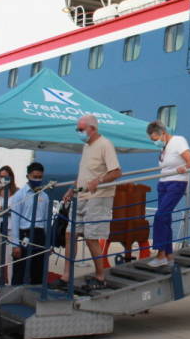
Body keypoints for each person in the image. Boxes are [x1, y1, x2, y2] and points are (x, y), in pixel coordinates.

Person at [51, 115, 121, 292]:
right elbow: (84, 173)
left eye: (81, 129)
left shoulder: (105, 144)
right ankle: (66, 275)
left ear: (93, 129)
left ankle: (100, 276)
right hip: (82, 196)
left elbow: (116, 172)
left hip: (98, 197)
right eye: (77, 129)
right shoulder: (86, 147)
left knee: (91, 238)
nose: (78, 132)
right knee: (70, 235)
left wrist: (99, 180)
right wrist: (72, 189)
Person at [146, 121, 190, 267]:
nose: (155, 143)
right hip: (163, 183)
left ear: (163, 134)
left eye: (155, 139)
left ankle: (160, 255)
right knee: (165, 218)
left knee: (160, 215)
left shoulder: (178, 141)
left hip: (176, 182)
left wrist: (183, 168)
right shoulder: (164, 147)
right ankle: (169, 255)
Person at [9, 162, 50, 285]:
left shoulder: (45, 196)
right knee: (19, 268)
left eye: (40, 177)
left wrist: (48, 241)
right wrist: (15, 244)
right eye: (35, 177)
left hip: (39, 234)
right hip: (24, 234)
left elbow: (47, 220)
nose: (37, 180)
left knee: (38, 268)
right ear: (28, 176)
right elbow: (15, 220)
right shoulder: (19, 196)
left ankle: (36, 295)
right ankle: (14, 295)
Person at [0, 165, 18, 285]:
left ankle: (11, 284)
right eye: (1, 176)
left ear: (11, 177)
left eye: (6, 176)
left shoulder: (17, 191)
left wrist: (1, 208)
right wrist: (6, 209)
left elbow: (16, 211)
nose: (3, 178)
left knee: (11, 258)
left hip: (12, 228)